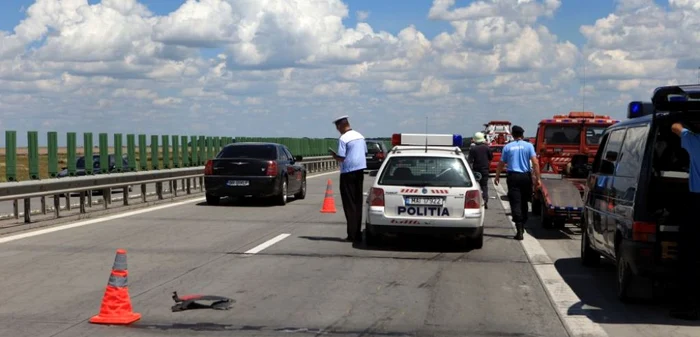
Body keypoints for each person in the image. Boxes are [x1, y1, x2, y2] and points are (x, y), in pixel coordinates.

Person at [670, 122, 700, 320]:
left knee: (691, 257)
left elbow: (674, 127)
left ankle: (689, 307)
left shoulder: (694, 140)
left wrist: (684, 124)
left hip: (697, 205)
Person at [494, 125, 541, 240]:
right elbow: (535, 163)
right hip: (525, 177)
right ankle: (523, 223)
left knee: (515, 202)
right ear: (522, 134)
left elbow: (501, 163)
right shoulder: (529, 146)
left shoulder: (507, 147)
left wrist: (497, 175)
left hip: (513, 177)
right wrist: (538, 179)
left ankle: (519, 227)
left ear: (512, 134)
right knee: (524, 202)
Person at [329, 116, 367, 243]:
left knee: (349, 204)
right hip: (360, 172)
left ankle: (352, 234)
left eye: (337, 127)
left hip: (348, 173)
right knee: (358, 203)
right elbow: (364, 152)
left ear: (340, 126)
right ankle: (358, 232)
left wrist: (334, 155)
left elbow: (341, 157)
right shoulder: (360, 136)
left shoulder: (343, 138)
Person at [468, 132, 493, 209]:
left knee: (476, 186)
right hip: (485, 169)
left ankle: (477, 201)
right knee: (484, 186)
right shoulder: (487, 148)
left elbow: (470, 160)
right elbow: (491, 157)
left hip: (476, 170)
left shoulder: (473, 149)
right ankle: (485, 200)